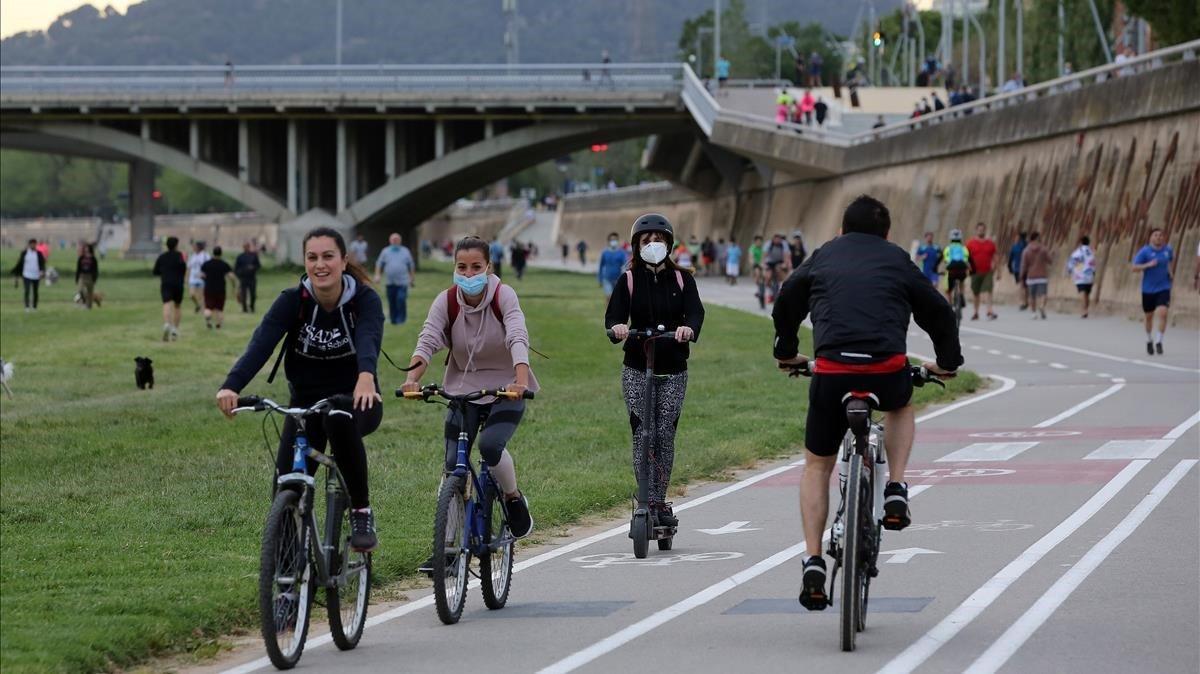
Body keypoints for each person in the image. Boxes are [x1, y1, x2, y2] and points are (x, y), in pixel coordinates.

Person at [772, 195, 960, 611]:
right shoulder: (897, 259)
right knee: (900, 406)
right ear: (886, 233)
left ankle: (813, 561)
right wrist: (947, 362)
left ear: (841, 229)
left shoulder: (823, 256)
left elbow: (787, 299)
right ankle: (895, 486)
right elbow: (938, 312)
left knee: (816, 466)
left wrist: (786, 350)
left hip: (832, 371)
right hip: (886, 369)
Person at [217, 226, 384, 553]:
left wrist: (366, 375)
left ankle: (361, 511)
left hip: (356, 397)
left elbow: (368, 338)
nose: (320, 265)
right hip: (306, 402)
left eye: (328, 257)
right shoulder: (293, 301)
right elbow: (260, 345)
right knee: (285, 486)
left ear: (343, 260)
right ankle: (288, 578)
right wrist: (230, 386)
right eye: (312, 257)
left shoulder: (363, 299)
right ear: (305, 261)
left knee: (338, 419)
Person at [402, 236, 538, 569]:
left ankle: (512, 497)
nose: (468, 273)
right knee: (453, 466)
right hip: (463, 390)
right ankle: (447, 549)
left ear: (488, 267)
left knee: (491, 446)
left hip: (506, 387)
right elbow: (429, 338)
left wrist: (520, 380)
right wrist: (412, 378)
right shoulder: (447, 301)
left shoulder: (503, 295)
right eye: (461, 267)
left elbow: (517, 335)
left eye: (476, 267)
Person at [605, 214, 705, 530]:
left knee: (664, 433)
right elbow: (614, 317)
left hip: (673, 366)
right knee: (642, 432)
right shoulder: (629, 280)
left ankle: (660, 501)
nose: (652, 245)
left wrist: (688, 328)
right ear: (636, 245)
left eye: (658, 240)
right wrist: (618, 328)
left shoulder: (682, 280)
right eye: (646, 241)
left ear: (669, 244)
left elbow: (696, 312)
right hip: (637, 365)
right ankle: (645, 499)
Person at [1131, 228, 1174, 355]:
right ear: (1150, 238)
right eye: (1156, 235)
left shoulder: (1168, 250)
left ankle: (1159, 341)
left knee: (1163, 313)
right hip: (1148, 289)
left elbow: (1170, 261)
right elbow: (1134, 268)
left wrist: (1170, 273)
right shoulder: (1145, 251)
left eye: (1161, 235)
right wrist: (1148, 265)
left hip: (1164, 287)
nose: (1159, 237)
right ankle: (1149, 339)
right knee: (1149, 317)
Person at [374, 232, 416, 326]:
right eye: (393, 240)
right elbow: (379, 264)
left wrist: (412, 278)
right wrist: (378, 275)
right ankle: (393, 320)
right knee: (392, 301)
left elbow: (411, 265)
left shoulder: (405, 251)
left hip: (403, 281)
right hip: (389, 282)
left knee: (401, 299)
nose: (395, 241)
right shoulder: (385, 251)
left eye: (397, 240)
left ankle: (401, 319)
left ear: (400, 241)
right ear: (390, 241)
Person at [153, 236, 187, 341]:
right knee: (177, 306)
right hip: (178, 283)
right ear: (176, 245)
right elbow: (183, 268)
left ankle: (167, 323)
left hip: (166, 283)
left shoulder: (162, 257)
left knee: (167, 303)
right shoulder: (180, 256)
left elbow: (155, 271)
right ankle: (175, 329)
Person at [966, 222, 999, 320]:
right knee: (976, 293)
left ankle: (989, 311)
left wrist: (998, 270)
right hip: (975, 271)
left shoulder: (990, 243)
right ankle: (976, 312)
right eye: (979, 229)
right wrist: (968, 267)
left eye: (983, 229)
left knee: (989, 291)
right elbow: (965, 257)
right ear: (976, 230)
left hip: (988, 271)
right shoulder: (970, 243)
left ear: (985, 230)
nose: (981, 231)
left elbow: (996, 256)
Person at [199, 246, 237, 330]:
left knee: (208, 307)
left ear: (213, 253)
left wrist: (206, 279)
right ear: (221, 253)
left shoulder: (207, 264)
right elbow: (231, 276)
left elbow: (201, 275)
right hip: (220, 289)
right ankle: (218, 325)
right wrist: (233, 286)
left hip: (209, 289)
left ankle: (208, 318)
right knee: (219, 309)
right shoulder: (224, 264)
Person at [1019, 232, 1052, 320]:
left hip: (1031, 276)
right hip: (1042, 276)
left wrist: (1022, 275)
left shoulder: (1026, 250)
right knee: (1043, 294)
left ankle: (1033, 313)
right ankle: (1041, 306)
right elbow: (1050, 260)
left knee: (1032, 296)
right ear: (1037, 238)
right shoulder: (1043, 249)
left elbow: (1024, 265)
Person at [11, 238, 45, 312]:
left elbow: (42, 264)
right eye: (31, 244)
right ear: (29, 245)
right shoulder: (24, 253)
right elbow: (20, 263)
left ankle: (34, 307)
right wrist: (16, 274)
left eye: (34, 244)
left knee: (35, 292)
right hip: (26, 275)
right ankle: (27, 307)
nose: (33, 245)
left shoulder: (39, 254)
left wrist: (42, 271)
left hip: (36, 275)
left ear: (36, 244)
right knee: (27, 290)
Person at [1067, 235, 1097, 318]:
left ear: (1080, 242)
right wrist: (1094, 273)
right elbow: (1094, 263)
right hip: (1090, 275)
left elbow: (1071, 262)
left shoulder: (1077, 252)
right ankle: (1086, 309)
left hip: (1080, 275)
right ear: (1088, 242)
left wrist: (1069, 270)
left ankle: (1084, 310)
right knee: (1087, 294)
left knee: (1082, 292)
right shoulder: (1091, 251)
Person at [942, 229, 972, 304]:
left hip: (951, 270)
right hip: (962, 269)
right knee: (962, 280)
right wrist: (970, 269)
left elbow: (946, 260)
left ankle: (950, 304)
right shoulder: (964, 248)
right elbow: (966, 260)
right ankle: (961, 294)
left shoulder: (947, 248)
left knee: (948, 290)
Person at [598, 231, 628, 299]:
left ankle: (615, 310)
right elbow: (600, 266)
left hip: (618, 279)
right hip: (607, 279)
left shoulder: (622, 253)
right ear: (608, 241)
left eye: (615, 240)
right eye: (612, 240)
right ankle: (606, 310)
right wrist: (600, 279)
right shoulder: (604, 252)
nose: (613, 241)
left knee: (616, 298)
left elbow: (625, 264)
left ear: (617, 240)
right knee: (609, 297)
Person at [763, 233, 792, 302]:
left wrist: (785, 264)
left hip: (779, 261)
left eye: (779, 239)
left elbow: (786, 255)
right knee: (768, 277)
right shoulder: (769, 244)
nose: (778, 241)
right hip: (770, 262)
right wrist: (763, 264)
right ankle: (770, 291)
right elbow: (764, 255)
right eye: (777, 239)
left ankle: (777, 290)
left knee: (780, 274)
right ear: (773, 239)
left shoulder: (784, 244)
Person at [235, 241, 261, 313]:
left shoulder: (254, 255)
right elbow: (236, 268)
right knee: (244, 294)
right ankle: (244, 309)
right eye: (245, 246)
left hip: (252, 278)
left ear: (249, 247)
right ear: (243, 247)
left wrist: (253, 268)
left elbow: (258, 265)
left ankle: (252, 307)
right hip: (243, 278)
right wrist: (240, 273)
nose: (246, 248)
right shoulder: (240, 257)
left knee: (253, 294)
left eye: (247, 246)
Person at [186, 241, 211, 314]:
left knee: (201, 296)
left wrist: (205, 274)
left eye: (195, 246)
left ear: (199, 247)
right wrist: (186, 277)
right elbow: (189, 267)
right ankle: (198, 305)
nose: (193, 248)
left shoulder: (205, 255)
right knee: (192, 295)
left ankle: (202, 310)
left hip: (202, 279)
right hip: (193, 278)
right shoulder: (192, 256)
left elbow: (209, 266)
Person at [1008, 231, 1029, 310]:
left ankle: (1022, 302)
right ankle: (1026, 301)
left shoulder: (1015, 247)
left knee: (1021, 285)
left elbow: (1010, 258)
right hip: (1027, 268)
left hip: (1018, 268)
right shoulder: (1028, 245)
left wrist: (1009, 267)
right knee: (1025, 286)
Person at [75, 243, 100, 309]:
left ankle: (89, 306)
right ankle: (84, 302)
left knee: (90, 293)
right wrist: (77, 278)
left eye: (87, 248)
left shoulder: (93, 259)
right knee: (81, 291)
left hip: (90, 277)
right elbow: (78, 269)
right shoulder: (81, 258)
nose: (86, 249)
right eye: (85, 248)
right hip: (82, 277)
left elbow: (95, 269)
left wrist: (94, 278)